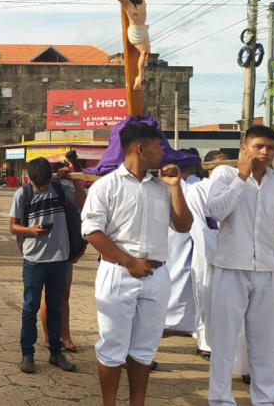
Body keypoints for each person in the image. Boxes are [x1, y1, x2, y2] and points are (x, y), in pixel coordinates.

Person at [80, 122, 193, 406]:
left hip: (156, 275)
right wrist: (129, 262)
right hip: (119, 273)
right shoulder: (106, 186)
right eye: (159, 146)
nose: (162, 153)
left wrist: (176, 187)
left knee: (144, 349)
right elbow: (92, 231)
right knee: (113, 346)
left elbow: (183, 225)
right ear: (141, 148)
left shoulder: (162, 187)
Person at [205, 125, 274, 406]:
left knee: (267, 342)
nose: (264, 152)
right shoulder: (225, 174)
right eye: (258, 146)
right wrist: (242, 176)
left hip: (268, 271)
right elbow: (215, 211)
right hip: (230, 268)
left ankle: (265, 399)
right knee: (224, 340)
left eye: (270, 148)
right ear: (244, 148)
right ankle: (221, 400)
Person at [10, 158, 83, 374]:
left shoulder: (60, 188)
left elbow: (81, 202)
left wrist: (74, 178)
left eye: (45, 184)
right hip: (34, 260)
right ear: (29, 179)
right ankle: (27, 354)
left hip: (60, 259)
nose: (42, 188)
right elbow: (13, 227)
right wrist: (31, 231)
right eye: (38, 185)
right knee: (30, 307)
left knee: (55, 307)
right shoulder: (23, 194)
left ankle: (55, 352)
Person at [90, 0, 173, 91]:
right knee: (143, 52)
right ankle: (139, 77)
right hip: (135, 32)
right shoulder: (126, 0)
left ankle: (140, 77)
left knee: (147, 55)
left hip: (143, 28)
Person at [184, 149, 229, 361]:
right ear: (207, 167)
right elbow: (199, 227)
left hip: (233, 254)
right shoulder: (197, 190)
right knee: (206, 297)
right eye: (218, 165)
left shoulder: (234, 190)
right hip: (207, 253)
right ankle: (206, 343)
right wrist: (216, 255)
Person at [39, 162, 86, 356]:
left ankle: (65, 337)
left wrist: (75, 181)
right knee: (48, 295)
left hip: (66, 246)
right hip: (45, 248)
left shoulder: (68, 187)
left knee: (64, 294)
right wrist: (55, 181)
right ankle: (50, 337)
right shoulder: (41, 187)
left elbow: (82, 203)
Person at [163, 151, 203, 336]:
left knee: (182, 273)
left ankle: (178, 320)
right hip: (173, 234)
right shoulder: (193, 186)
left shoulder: (194, 187)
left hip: (183, 234)